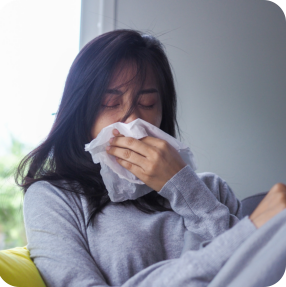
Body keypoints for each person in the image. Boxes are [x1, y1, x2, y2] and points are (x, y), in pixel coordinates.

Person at [16, 29, 286, 287]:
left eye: (147, 104)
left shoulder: (211, 191)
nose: (132, 121)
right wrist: (248, 233)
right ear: (80, 111)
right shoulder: (53, 199)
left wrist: (184, 188)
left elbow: (252, 275)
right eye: (110, 103)